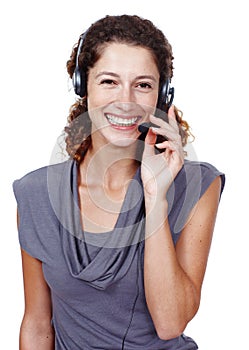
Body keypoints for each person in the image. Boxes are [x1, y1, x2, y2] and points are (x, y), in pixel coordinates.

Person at [13, 14, 225, 350]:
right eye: (109, 82)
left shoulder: (197, 185)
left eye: (142, 85)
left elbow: (171, 323)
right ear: (84, 86)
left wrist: (155, 198)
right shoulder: (35, 194)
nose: (125, 100)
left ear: (162, 95)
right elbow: (38, 323)